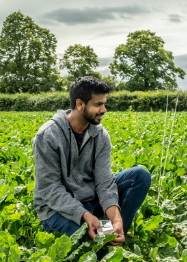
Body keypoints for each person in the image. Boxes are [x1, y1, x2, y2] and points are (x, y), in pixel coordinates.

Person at [33, 76, 151, 247]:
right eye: (98, 104)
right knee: (91, 247)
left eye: (104, 104)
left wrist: (116, 219)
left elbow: (104, 182)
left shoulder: (101, 135)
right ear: (80, 104)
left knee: (140, 175)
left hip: (89, 199)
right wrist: (85, 215)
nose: (104, 109)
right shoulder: (48, 135)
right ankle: (101, 233)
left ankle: (117, 230)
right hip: (56, 209)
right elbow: (50, 189)